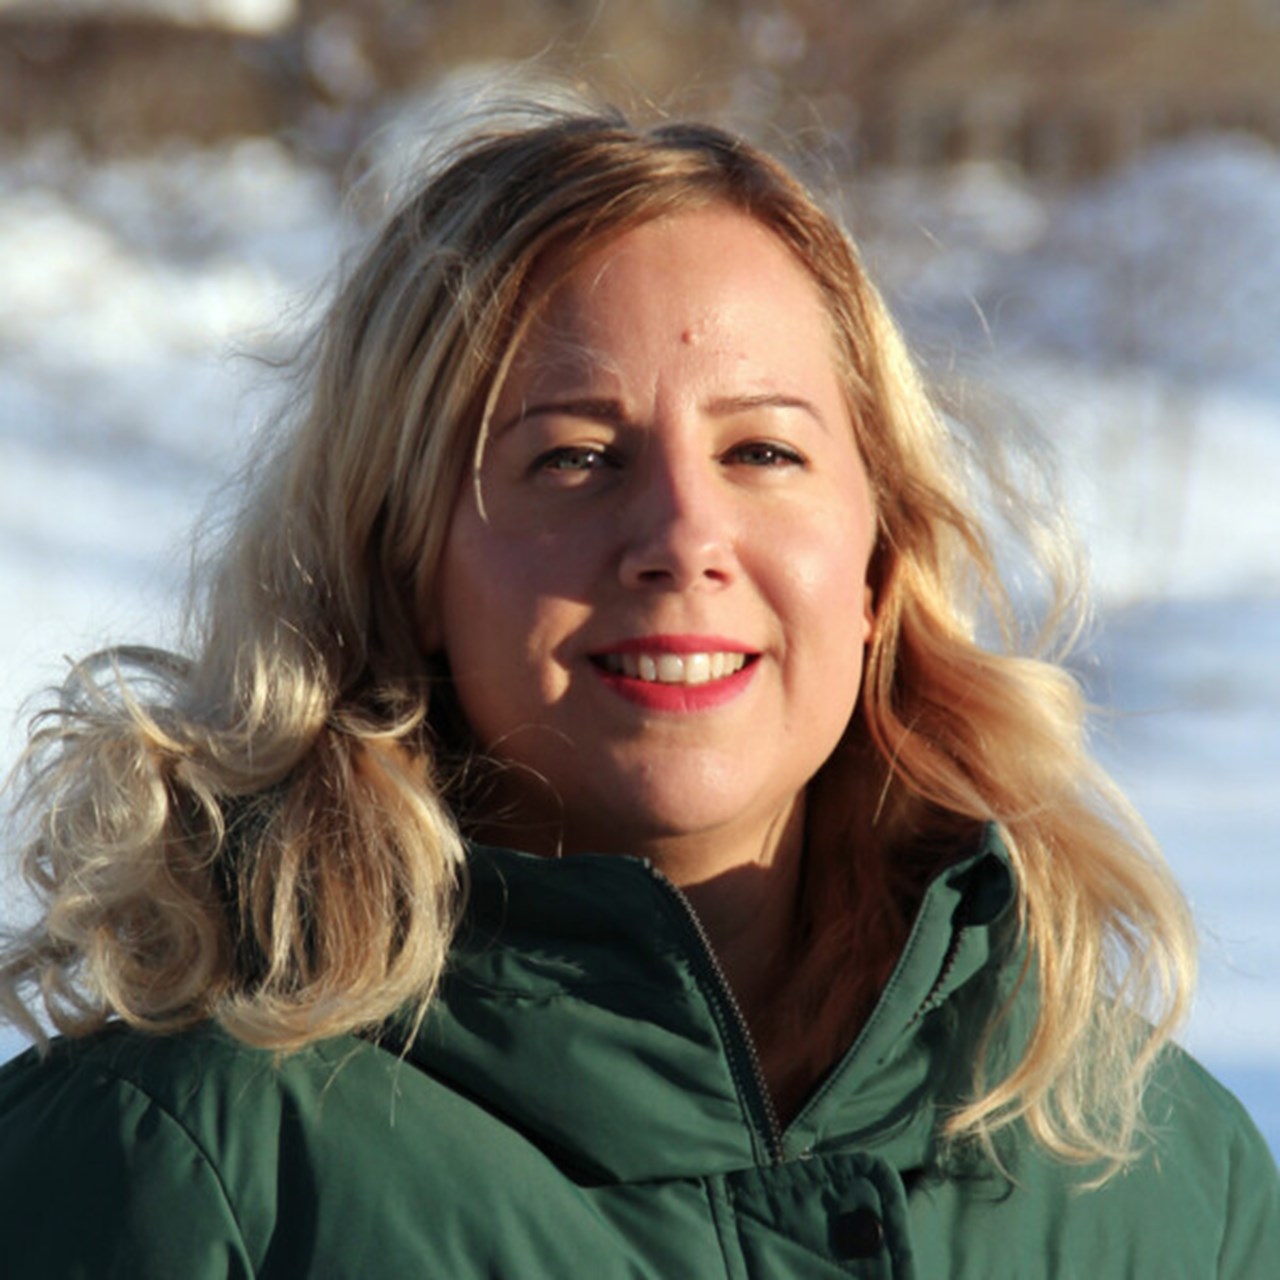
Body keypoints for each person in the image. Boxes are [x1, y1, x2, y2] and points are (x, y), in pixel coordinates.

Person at [1, 96, 1277, 1278]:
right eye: (574, 457)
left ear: (878, 557)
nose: (680, 535)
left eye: (761, 449)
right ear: (405, 561)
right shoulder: (177, 1167)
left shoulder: (1159, 1175)